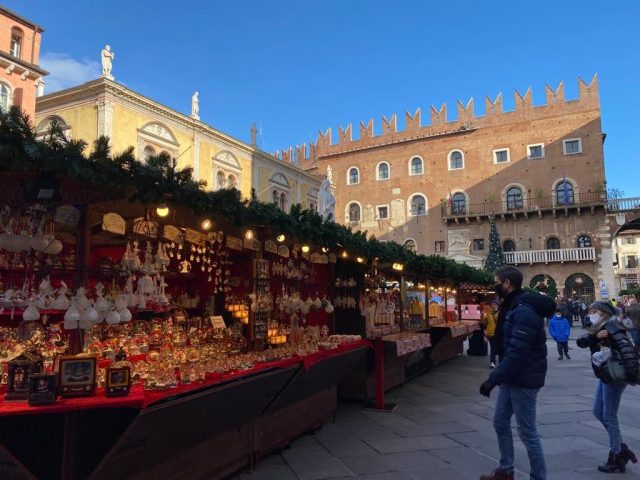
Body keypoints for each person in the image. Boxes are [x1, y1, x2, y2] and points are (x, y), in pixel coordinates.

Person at [479, 266, 555, 480]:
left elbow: (518, 352)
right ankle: (506, 470)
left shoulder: (523, 311)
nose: (495, 286)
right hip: (511, 376)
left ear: (506, 283)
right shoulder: (512, 306)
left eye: (497, 281)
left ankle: (538, 477)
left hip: (524, 378)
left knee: (527, 431)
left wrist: (493, 379)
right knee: (500, 421)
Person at [577, 301, 639, 473]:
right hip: (605, 374)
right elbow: (581, 342)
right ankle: (620, 446)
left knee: (609, 416)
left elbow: (627, 349)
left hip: (614, 376)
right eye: (590, 310)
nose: (591, 313)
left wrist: (631, 373)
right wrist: (595, 337)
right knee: (598, 411)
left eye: (594, 310)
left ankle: (617, 455)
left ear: (603, 313)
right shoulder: (599, 327)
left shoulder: (611, 327)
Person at [483, 301, 499, 368]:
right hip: (490, 333)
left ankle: (497, 361)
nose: (493, 305)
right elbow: (484, 323)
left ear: (498, 305)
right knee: (492, 348)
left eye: (495, 304)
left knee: (495, 348)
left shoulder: (500, 313)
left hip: (497, 333)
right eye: (492, 304)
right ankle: (492, 362)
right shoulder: (488, 313)